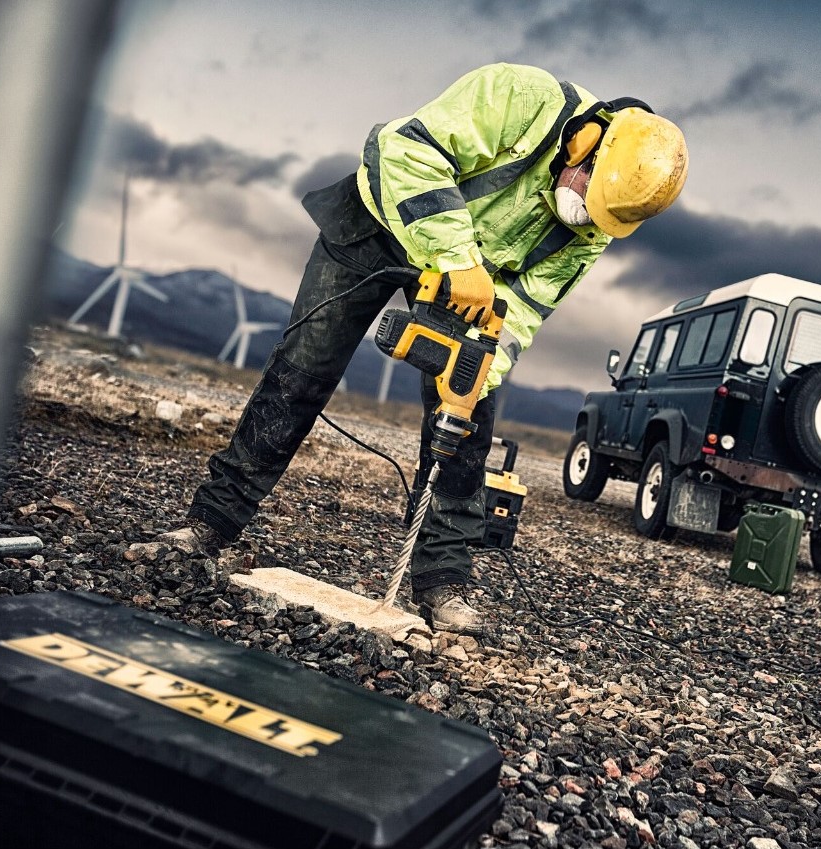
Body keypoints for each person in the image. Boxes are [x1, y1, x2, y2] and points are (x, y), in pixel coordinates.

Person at [159, 63, 688, 634]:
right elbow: (404, 149)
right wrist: (459, 258)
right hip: (381, 224)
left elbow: (528, 304)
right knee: (301, 371)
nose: (585, 215)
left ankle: (444, 580)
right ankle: (209, 525)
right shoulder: (522, 97)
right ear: (585, 146)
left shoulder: (599, 221)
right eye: (589, 196)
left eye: (600, 216)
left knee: (468, 416)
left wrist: (477, 376)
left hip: (469, 278)